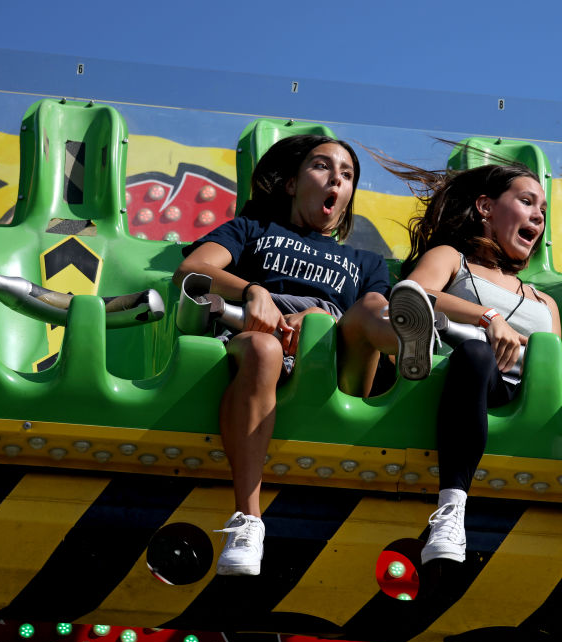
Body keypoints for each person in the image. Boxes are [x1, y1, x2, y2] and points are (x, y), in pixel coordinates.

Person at [378, 155, 562, 600]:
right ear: (486, 208)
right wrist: (488, 317)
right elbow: (414, 293)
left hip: (534, 389)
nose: (538, 217)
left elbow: (550, 365)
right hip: (473, 376)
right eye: (527, 202)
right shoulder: (453, 259)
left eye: (543, 210)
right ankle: (449, 513)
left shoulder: (545, 302)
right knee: (476, 352)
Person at [173, 135, 434, 576]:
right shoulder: (253, 231)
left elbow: (353, 317)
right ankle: (247, 521)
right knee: (264, 348)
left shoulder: (364, 261)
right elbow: (191, 269)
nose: (336, 178)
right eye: (322, 167)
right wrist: (254, 290)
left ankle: (406, 340)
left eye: (347, 175)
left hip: (334, 354)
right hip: (258, 334)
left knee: (372, 306)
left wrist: (320, 324)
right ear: (292, 184)